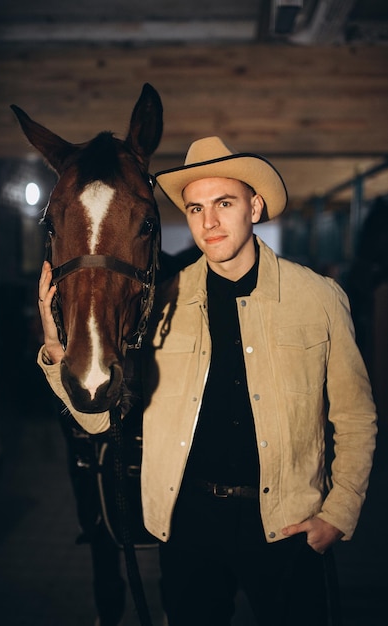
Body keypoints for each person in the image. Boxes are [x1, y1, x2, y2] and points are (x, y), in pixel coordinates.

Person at [37, 136, 377, 626]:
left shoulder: (319, 298)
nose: (209, 222)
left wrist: (338, 514)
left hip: (287, 523)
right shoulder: (161, 303)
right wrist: (57, 350)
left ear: (254, 206)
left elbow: (355, 416)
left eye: (224, 203)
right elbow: (99, 423)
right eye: (195, 207)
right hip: (189, 523)